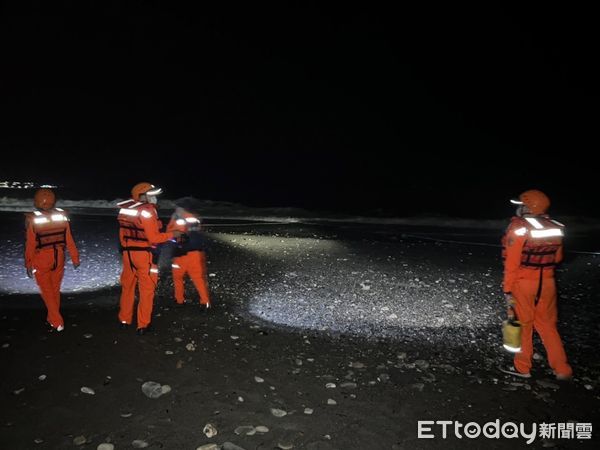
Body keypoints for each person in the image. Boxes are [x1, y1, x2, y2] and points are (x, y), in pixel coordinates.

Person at [500, 189, 572, 380]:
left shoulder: (519, 228)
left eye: (521, 205)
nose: (519, 208)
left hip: (524, 283)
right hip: (548, 282)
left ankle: (522, 367)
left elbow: (512, 263)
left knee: (524, 325)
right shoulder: (555, 227)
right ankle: (562, 368)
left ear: (528, 207)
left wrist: (507, 289)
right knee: (548, 326)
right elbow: (557, 257)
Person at [116, 182, 182, 335]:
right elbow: (154, 238)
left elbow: (122, 235)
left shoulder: (126, 209)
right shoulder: (148, 211)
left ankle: (124, 321)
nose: (155, 198)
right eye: (151, 195)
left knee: (128, 288)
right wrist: (174, 235)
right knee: (147, 290)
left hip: (128, 255)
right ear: (142, 196)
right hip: (144, 256)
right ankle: (143, 325)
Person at [24, 188, 80, 332]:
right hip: (59, 257)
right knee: (54, 290)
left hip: (42, 259)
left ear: (37, 201)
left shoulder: (33, 220)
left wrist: (28, 263)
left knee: (47, 292)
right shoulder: (61, 217)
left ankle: (57, 322)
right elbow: (69, 239)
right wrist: (75, 257)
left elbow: (30, 244)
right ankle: (51, 318)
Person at [167, 202, 212, 310]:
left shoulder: (178, 218)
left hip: (182, 253)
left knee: (178, 277)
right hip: (194, 252)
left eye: (178, 208)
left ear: (182, 208)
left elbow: (170, 233)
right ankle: (205, 302)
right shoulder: (195, 218)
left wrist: (174, 220)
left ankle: (179, 301)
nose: (176, 209)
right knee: (198, 278)